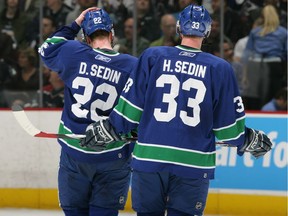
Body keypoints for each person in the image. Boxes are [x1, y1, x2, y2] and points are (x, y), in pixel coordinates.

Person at [80, 4, 273, 216]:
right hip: (193, 164)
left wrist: (110, 127)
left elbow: (130, 109)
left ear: (179, 28)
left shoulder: (153, 57)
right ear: (207, 31)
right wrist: (247, 139)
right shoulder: (220, 68)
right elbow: (228, 131)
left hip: (150, 159)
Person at [38, 7, 137, 216]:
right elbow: (140, 110)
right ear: (112, 34)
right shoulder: (132, 66)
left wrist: (74, 25)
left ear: (85, 37)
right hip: (114, 154)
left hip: (74, 151)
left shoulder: (72, 51)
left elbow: (45, 49)